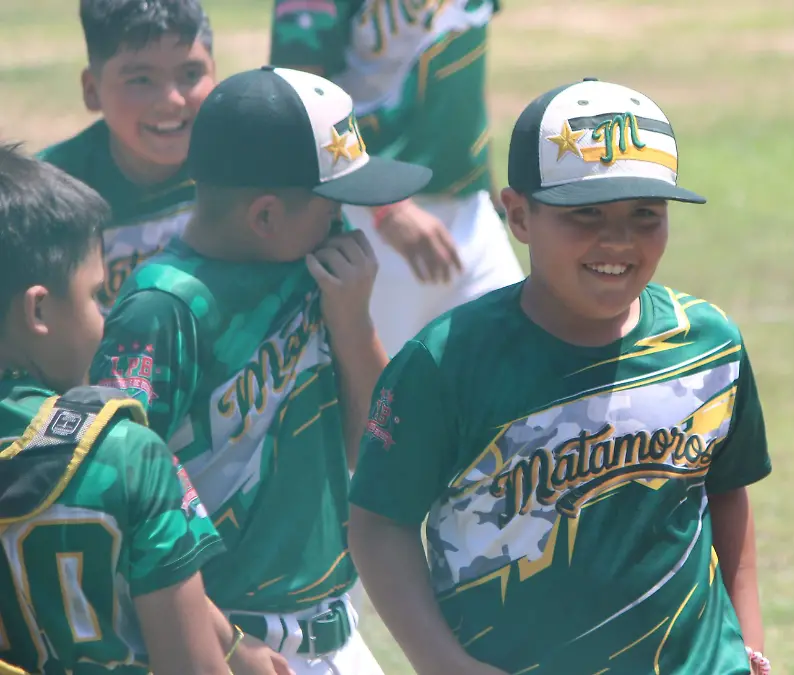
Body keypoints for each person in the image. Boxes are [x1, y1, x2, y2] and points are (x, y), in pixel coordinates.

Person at [348, 78, 773, 675]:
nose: (617, 240)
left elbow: (727, 492)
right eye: (586, 214)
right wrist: (441, 662)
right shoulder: (446, 361)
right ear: (519, 215)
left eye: (644, 215)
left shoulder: (707, 344)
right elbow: (378, 523)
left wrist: (748, 646)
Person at [87, 65, 432, 675]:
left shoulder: (315, 260)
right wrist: (220, 644)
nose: (342, 221)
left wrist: (354, 323)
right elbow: (117, 504)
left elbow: (375, 449)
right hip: (231, 642)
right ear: (266, 216)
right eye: (332, 205)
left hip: (335, 628)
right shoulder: (163, 310)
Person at [0, 144, 289, 675]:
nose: (104, 315)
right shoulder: (128, 454)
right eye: (93, 295)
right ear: (39, 308)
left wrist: (229, 640)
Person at [269, 0, 524, 353]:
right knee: (382, 394)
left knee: (516, 369)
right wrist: (386, 209)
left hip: (472, 214)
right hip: (366, 219)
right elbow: (294, 96)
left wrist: (488, 185)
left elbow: (463, 59)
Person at [38, 0, 218, 312]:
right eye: (141, 79)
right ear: (92, 90)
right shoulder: (49, 193)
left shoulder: (243, 165)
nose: (172, 100)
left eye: (191, 73)